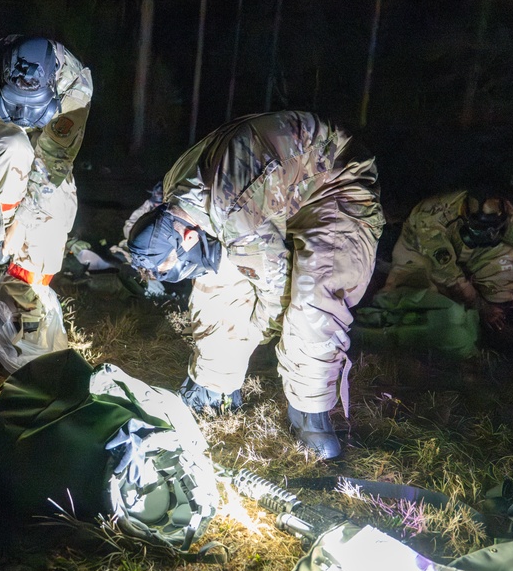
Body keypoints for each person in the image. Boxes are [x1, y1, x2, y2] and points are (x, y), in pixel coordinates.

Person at [126, 111, 384, 459]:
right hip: (275, 189)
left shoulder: (234, 211)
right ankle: (213, 387)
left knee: (313, 301)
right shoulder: (175, 195)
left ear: (187, 235)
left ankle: (311, 413)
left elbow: (276, 294)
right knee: (216, 282)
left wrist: (258, 332)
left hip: (334, 180)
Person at [0, 35, 93, 332]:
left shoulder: (75, 87)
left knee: (56, 204)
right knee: (13, 148)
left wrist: (22, 222)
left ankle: (23, 298)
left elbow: (52, 164)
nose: (23, 115)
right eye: (16, 103)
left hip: (49, 136)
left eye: (29, 106)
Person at [375, 187, 513, 354]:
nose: (490, 233)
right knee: (420, 301)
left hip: (470, 248)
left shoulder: (503, 210)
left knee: (505, 272)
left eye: (494, 229)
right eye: (482, 229)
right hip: (419, 250)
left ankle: (510, 329)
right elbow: (450, 277)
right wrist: (482, 307)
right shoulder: (430, 219)